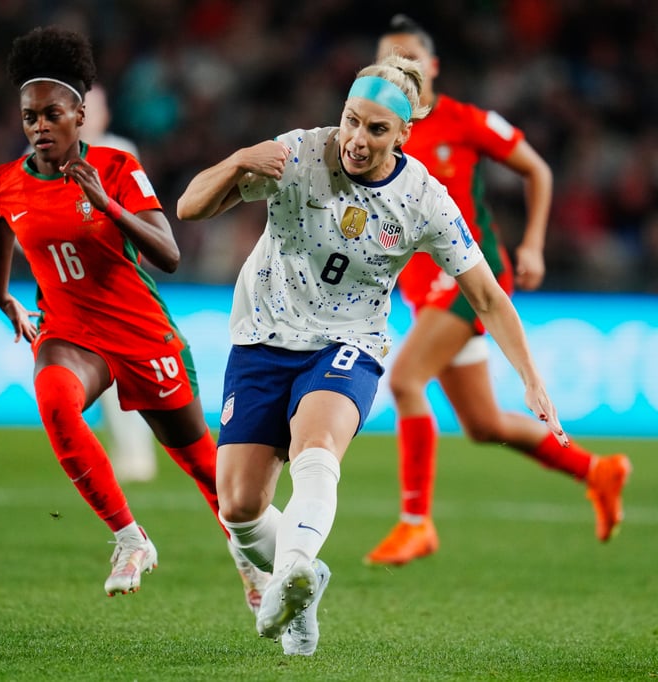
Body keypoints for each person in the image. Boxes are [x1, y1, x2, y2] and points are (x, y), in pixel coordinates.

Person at [176, 54, 568, 656]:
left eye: (377, 129)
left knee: (317, 445)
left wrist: (532, 379)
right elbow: (189, 208)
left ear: (405, 133)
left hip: (347, 342)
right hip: (262, 336)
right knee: (239, 508)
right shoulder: (296, 153)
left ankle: (298, 565)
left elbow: (486, 295)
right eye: (351, 120)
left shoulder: (424, 200)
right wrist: (235, 161)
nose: (357, 140)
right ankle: (302, 584)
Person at [0, 25, 268, 607]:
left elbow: (168, 253)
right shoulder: (6, 182)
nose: (40, 127)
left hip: (140, 332)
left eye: (52, 115)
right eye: (30, 117)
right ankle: (129, 537)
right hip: (69, 332)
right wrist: (1, 292)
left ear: (80, 114)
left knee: (205, 467)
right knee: (54, 401)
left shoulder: (115, 168)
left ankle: (258, 566)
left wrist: (106, 205)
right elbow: (0, 217)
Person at [363, 14, 631, 567]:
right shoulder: (376, 132)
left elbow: (537, 169)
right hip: (421, 290)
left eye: (409, 58)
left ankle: (416, 522)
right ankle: (596, 471)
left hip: (467, 280)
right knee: (483, 425)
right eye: (389, 60)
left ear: (432, 66)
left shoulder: (464, 121)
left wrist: (532, 245)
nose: (400, 68)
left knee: (407, 379)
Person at [80, 86, 158, 484]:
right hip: (68, 286)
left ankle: (136, 456)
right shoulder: (42, 156)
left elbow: (134, 209)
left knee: (124, 372)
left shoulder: (120, 151)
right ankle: (106, 455)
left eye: (93, 106)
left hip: (116, 280)